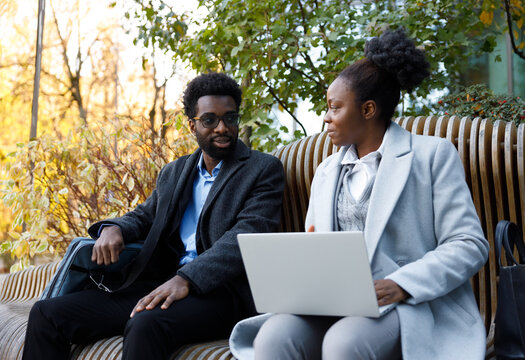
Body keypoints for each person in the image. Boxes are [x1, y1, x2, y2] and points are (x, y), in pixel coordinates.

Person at [229, 29, 489, 360]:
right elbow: (317, 248)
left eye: (335, 108)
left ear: (367, 110)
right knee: (273, 339)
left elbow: (469, 244)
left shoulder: (432, 155)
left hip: (408, 304)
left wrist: (402, 285)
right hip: (333, 302)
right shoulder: (326, 171)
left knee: (344, 343)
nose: (326, 117)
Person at [22, 72, 285, 360]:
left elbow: (245, 235)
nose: (222, 128)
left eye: (230, 118)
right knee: (47, 314)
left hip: (221, 294)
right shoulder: (175, 172)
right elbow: (145, 215)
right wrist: (114, 228)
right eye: (210, 120)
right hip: (161, 283)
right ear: (192, 125)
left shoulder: (262, 169)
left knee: (146, 323)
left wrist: (187, 278)